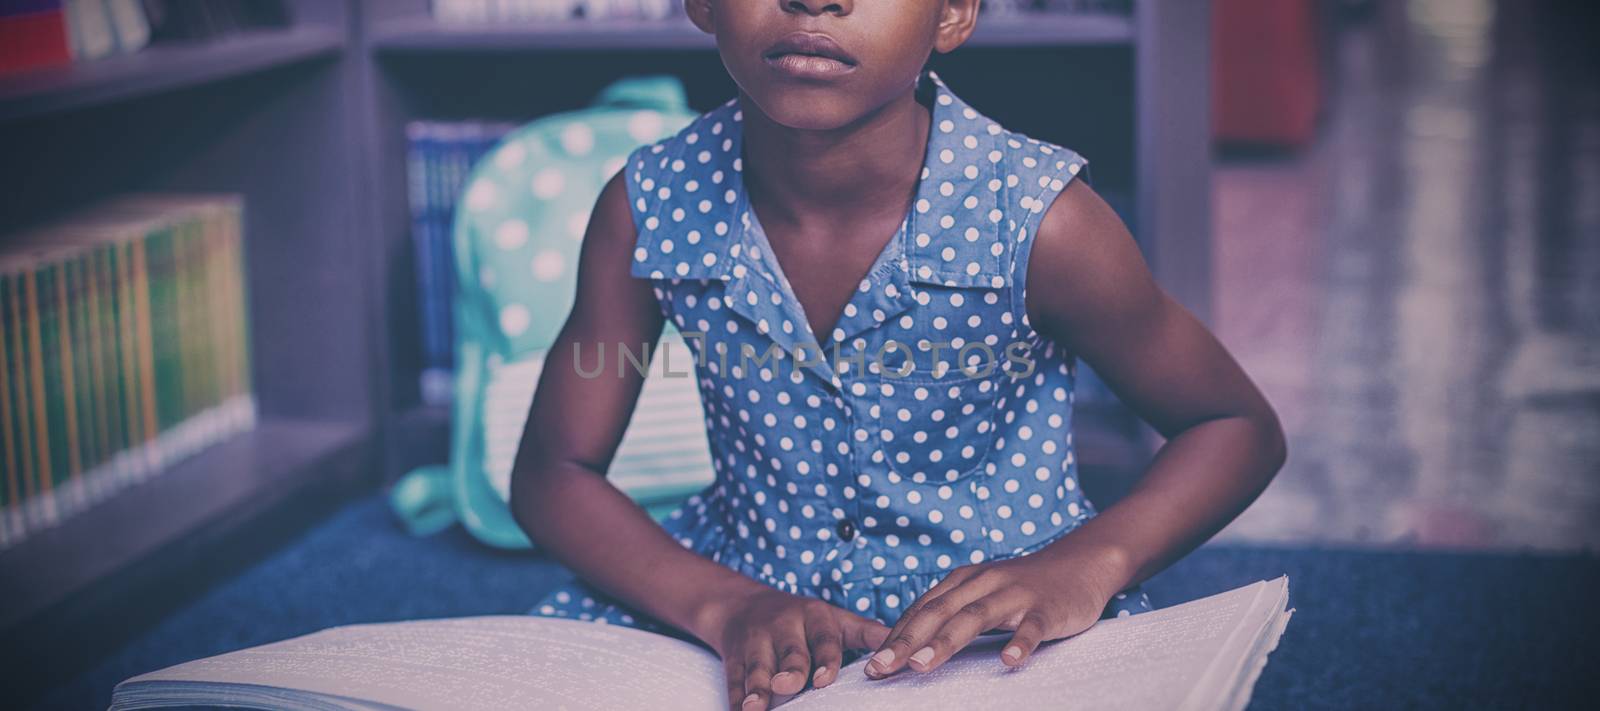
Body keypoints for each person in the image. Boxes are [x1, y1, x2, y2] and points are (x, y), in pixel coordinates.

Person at [510, 1, 1286, 709]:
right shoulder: (647, 207)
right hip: (737, 601)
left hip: (998, 622)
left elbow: (1233, 424)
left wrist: (1090, 562)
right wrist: (722, 603)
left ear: (952, 15)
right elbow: (554, 472)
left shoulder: (1042, 221)